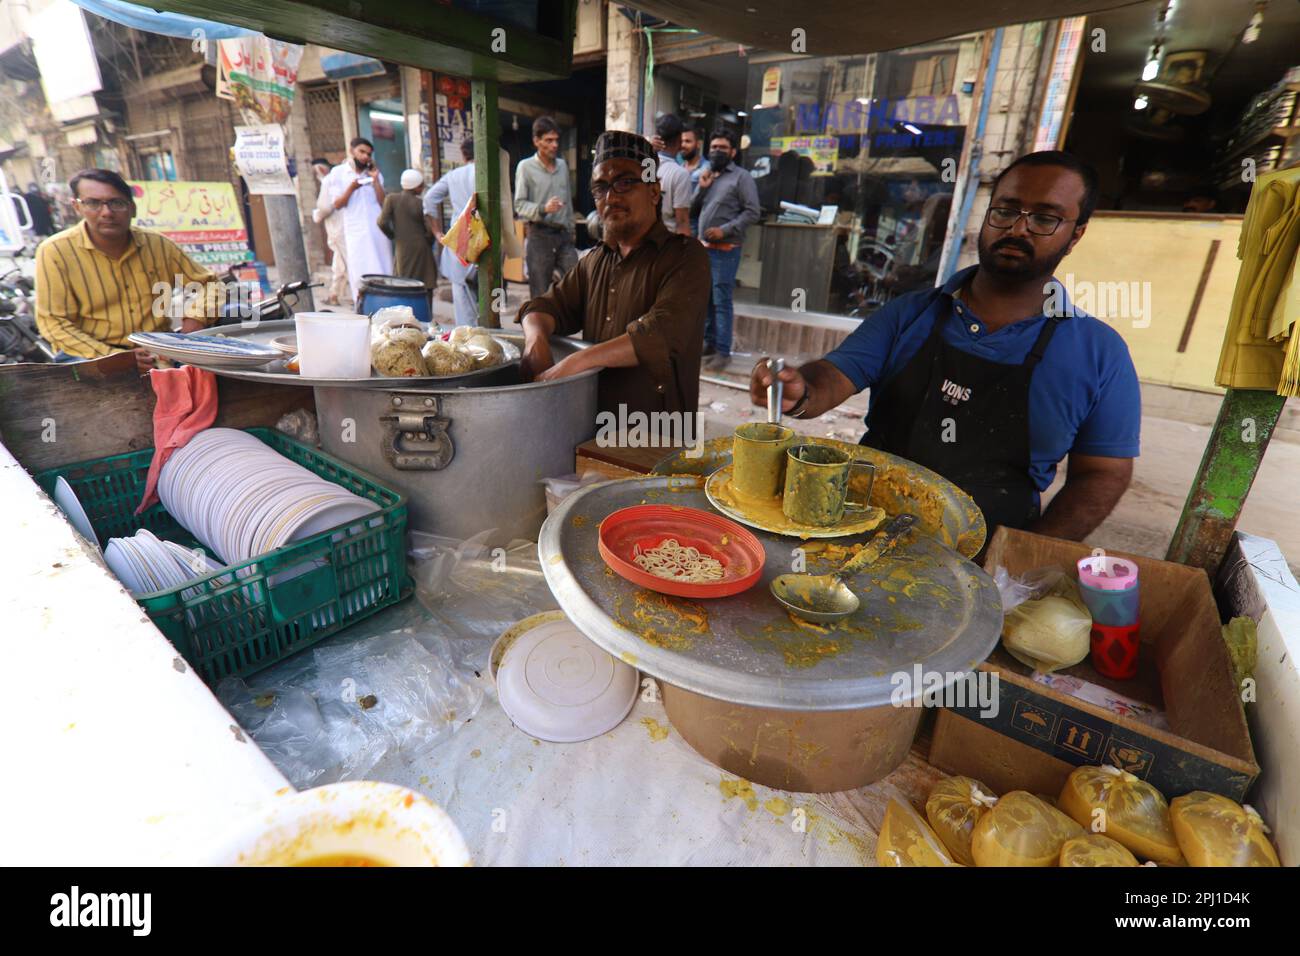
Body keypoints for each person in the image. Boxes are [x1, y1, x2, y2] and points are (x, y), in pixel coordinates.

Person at [750, 151, 1140, 540]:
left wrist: (1027, 557)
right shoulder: (910, 313)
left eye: (1043, 218)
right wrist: (799, 388)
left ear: (1076, 234)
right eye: (1006, 210)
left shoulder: (1100, 353)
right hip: (861, 529)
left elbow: (1103, 472)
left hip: (984, 553)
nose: (1018, 229)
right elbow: (834, 375)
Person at [517, 130, 711, 417]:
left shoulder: (685, 256)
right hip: (593, 430)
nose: (610, 198)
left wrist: (575, 363)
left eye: (623, 183)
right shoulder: (594, 261)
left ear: (654, 191)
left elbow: (660, 334)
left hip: (658, 437)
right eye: (600, 188)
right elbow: (544, 306)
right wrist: (535, 340)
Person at [34, 169, 221, 370]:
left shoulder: (158, 245)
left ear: (132, 208)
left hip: (156, 349)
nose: (106, 212)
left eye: (117, 203)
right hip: (89, 355)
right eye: (93, 203)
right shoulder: (55, 251)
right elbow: (54, 323)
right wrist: (114, 357)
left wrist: (196, 317)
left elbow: (211, 285)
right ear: (77, 207)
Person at [693, 128, 761, 370]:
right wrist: (701, 188)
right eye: (713, 147)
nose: (717, 151)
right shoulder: (708, 175)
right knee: (707, 299)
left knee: (721, 300)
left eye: (722, 148)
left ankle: (723, 352)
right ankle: (709, 344)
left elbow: (753, 211)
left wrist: (725, 229)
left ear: (733, 151)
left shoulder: (742, 178)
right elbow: (694, 209)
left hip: (725, 248)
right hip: (705, 247)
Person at [322, 137, 393, 301]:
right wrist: (352, 188)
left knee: (383, 268)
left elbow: (383, 201)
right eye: (361, 152)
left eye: (368, 154)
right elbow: (338, 204)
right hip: (355, 231)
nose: (365, 157)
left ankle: (387, 305)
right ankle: (364, 308)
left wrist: (375, 180)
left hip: (377, 230)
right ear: (352, 150)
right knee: (360, 271)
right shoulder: (338, 173)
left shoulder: (374, 172)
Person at [514, 116, 577, 299]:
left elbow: (569, 203)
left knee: (575, 284)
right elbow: (519, 205)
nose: (554, 145)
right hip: (539, 236)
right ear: (536, 141)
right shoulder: (525, 167)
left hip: (563, 236)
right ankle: (540, 327)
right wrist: (543, 208)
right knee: (540, 293)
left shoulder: (563, 166)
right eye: (549, 140)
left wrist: (571, 230)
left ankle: (567, 326)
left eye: (556, 140)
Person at [425, 139, 479, 327]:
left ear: (464, 156)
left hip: (461, 239)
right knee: (492, 295)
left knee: (462, 296)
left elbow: (429, 199)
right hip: (486, 239)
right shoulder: (487, 174)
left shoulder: (454, 175)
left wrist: (437, 233)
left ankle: (468, 341)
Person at [378, 169, 438, 289]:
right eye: (421, 186)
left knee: (404, 284)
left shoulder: (391, 199)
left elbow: (381, 222)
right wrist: (428, 241)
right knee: (425, 284)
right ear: (415, 187)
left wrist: (394, 236)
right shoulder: (421, 203)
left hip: (403, 249)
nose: (422, 189)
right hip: (422, 249)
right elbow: (430, 229)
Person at [310, 157, 349, 305]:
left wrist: (316, 215)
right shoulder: (339, 180)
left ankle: (341, 295)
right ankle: (335, 294)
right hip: (341, 229)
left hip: (339, 229)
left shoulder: (330, 181)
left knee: (344, 262)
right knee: (340, 263)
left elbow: (325, 208)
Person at [654, 114, 692, 236]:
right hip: (667, 242)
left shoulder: (646, 164)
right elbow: (682, 221)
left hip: (644, 241)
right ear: (679, 140)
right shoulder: (680, 174)